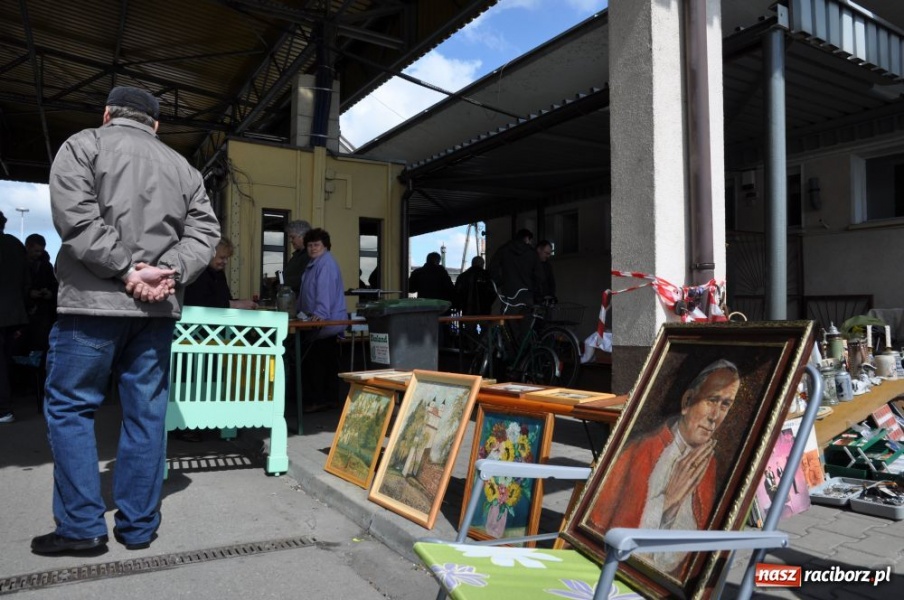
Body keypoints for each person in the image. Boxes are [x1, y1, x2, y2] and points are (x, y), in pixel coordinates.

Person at [32, 86, 220, 556]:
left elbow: (75, 219)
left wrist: (124, 268)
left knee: (71, 409)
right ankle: (138, 528)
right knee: (146, 414)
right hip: (155, 312)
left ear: (108, 113)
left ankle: (81, 528)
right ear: (156, 124)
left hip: (90, 306)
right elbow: (206, 233)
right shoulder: (185, 168)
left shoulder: (83, 145)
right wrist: (167, 271)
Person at [586, 359, 740, 577]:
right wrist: (667, 501)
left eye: (725, 405)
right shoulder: (640, 451)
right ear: (687, 401)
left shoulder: (708, 462)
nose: (715, 416)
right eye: (712, 400)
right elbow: (612, 536)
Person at [296, 228, 347, 413]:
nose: (312, 248)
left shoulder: (324, 264)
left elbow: (324, 292)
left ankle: (320, 399)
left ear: (325, 246)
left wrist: (320, 315)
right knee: (325, 361)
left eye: (316, 244)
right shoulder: (316, 263)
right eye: (309, 245)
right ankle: (327, 399)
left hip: (325, 323)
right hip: (320, 322)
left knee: (318, 363)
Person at [0, 211, 29, 424]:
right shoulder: (16, 245)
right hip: (14, 314)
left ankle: (3, 408)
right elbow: (26, 282)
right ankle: (4, 407)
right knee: (4, 361)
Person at [183, 237, 257, 309]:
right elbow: (199, 302)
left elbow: (225, 300)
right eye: (222, 258)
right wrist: (234, 304)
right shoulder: (197, 273)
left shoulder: (219, 274)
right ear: (210, 254)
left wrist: (244, 303)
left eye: (227, 258)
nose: (226, 262)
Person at [487, 228, 545, 306]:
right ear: (527, 238)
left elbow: (492, 268)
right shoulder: (532, 253)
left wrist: (499, 283)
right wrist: (534, 290)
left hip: (508, 294)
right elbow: (539, 276)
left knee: (508, 316)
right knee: (526, 317)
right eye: (531, 240)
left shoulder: (504, 249)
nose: (531, 243)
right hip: (527, 294)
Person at [24, 234, 58, 353]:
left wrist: (50, 294)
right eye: (36, 251)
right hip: (27, 312)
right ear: (28, 247)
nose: (38, 254)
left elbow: (54, 285)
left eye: (40, 251)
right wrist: (28, 293)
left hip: (41, 313)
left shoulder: (46, 266)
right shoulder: (20, 264)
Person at [283, 220, 311, 295]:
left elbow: (304, 279)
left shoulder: (310, 256)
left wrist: (283, 281)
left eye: (293, 237)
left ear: (303, 236)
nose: (291, 241)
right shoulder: (296, 256)